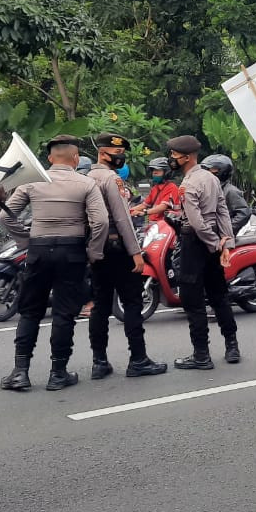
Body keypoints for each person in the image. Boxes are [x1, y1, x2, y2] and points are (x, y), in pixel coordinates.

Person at [0, 134, 108, 393]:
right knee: (64, 313)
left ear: (49, 158)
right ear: (76, 158)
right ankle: (58, 373)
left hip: (38, 250)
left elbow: (5, 216)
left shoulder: (32, 182)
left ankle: (20, 372)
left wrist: (27, 239)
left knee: (30, 311)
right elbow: (101, 222)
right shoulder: (86, 183)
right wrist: (94, 251)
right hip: (72, 252)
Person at [88, 133, 166, 380]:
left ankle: (99, 362)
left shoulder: (87, 177)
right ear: (103, 153)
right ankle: (138, 360)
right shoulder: (112, 179)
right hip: (118, 249)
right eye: (117, 153)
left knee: (100, 305)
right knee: (132, 302)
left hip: (97, 250)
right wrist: (135, 252)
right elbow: (122, 219)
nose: (120, 158)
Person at [170, 135, 240, 370]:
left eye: (174, 155)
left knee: (193, 302)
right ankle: (232, 346)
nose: (172, 159)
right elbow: (222, 212)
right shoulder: (211, 178)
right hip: (213, 243)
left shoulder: (187, 185)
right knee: (219, 296)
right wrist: (225, 243)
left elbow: (196, 221)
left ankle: (201, 355)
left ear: (186, 157)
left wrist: (213, 243)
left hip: (195, 243)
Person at [202, 154, 252, 235]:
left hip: (221, 238)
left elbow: (244, 213)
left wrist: (226, 229)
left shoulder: (230, 191)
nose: (206, 173)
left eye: (211, 170)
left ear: (221, 171)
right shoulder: (210, 189)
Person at [140, 157, 180, 221]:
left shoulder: (172, 187)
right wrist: (129, 211)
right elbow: (144, 205)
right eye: (153, 170)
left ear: (166, 172)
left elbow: (163, 207)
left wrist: (145, 212)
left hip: (166, 224)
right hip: (154, 223)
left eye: (157, 170)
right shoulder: (155, 188)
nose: (154, 173)